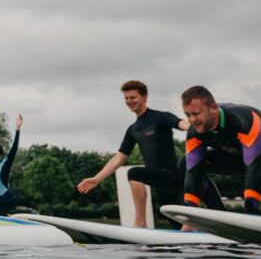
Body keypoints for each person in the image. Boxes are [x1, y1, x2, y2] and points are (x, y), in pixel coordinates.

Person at [77, 80, 188, 229]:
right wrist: (97, 179)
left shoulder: (160, 117)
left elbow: (182, 124)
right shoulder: (133, 129)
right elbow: (119, 157)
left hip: (173, 176)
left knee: (134, 173)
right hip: (159, 182)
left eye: (133, 97)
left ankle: (140, 222)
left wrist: (197, 126)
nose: (129, 101)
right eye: (126, 98)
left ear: (145, 97)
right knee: (177, 225)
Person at [179, 86, 261, 218]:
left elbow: (253, 168)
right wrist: (190, 215)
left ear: (213, 108)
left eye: (196, 114)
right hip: (242, 158)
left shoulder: (244, 120)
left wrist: (250, 212)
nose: (192, 120)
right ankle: (219, 214)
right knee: (185, 162)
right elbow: (193, 170)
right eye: (187, 115)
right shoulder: (194, 132)